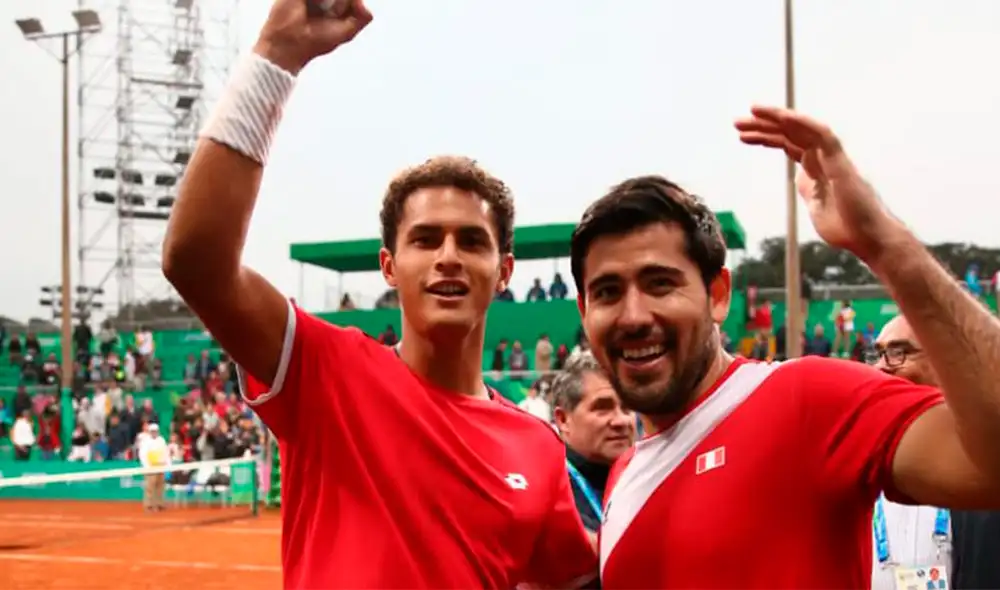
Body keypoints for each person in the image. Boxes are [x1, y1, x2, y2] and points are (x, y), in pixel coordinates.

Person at [162, 1, 595, 587]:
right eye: (425, 239)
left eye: (471, 241)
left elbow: (580, 579)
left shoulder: (537, 447)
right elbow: (195, 262)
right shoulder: (324, 371)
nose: (448, 256)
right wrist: (276, 57)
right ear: (389, 266)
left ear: (504, 271)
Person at [569, 106, 1000, 588]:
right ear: (585, 312)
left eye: (660, 284)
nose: (633, 315)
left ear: (718, 295)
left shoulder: (808, 399)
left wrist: (885, 244)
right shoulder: (624, 474)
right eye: (608, 292)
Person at [869, 316, 952, 590]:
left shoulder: (978, 465)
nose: (881, 366)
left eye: (898, 352)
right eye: (878, 354)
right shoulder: (858, 464)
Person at [550, 351, 635, 538]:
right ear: (563, 419)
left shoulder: (650, 479)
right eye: (603, 408)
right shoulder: (545, 499)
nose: (621, 421)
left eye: (627, 407)